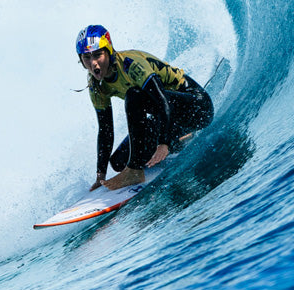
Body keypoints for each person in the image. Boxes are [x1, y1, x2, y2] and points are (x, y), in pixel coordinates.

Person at [75, 24, 214, 191]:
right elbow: (105, 129)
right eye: (87, 58)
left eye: (98, 55)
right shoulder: (96, 86)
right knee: (118, 162)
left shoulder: (130, 65)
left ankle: (135, 170)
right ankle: (180, 137)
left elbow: (164, 103)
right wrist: (100, 174)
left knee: (134, 95)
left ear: (109, 51)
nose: (94, 64)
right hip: (170, 117)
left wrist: (163, 144)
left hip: (197, 107)